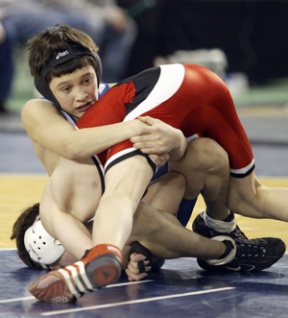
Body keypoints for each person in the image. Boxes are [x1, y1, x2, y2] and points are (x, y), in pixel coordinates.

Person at [21, 25, 287, 303]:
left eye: (86, 80)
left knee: (206, 154)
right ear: (47, 90)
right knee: (130, 211)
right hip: (135, 213)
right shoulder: (39, 110)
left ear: (96, 71)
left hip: (149, 200)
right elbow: (72, 144)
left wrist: (174, 141)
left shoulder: (120, 99)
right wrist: (140, 129)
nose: (81, 95)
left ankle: (221, 232)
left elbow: (178, 152)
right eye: (66, 88)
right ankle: (213, 247)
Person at [12, 137, 285, 293]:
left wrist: (143, 249)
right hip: (165, 224)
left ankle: (221, 231)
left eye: (68, 232)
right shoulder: (116, 263)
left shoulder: (101, 218)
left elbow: (176, 183)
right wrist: (144, 253)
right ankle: (227, 251)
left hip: (163, 205)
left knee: (206, 154)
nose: (77, 241)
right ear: (55, 267)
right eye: (64, 247)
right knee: (138, 219)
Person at [0, 0, 136, 113]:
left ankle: (104, 90)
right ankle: (57, 87)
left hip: (55, 9)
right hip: (17, 8)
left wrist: (112, 11)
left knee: (124, 27)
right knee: (82, 24)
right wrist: (104, 14)